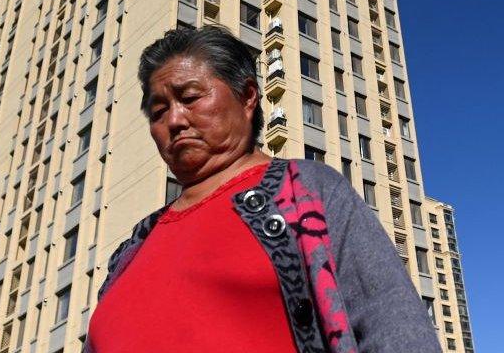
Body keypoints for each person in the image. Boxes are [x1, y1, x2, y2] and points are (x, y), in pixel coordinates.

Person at [86, 26, 440, 352]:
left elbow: (396, 328)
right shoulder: (133, 248)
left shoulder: (306, 191)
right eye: (159, 110)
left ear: (248, 96)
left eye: (190, 97)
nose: (174, 120)